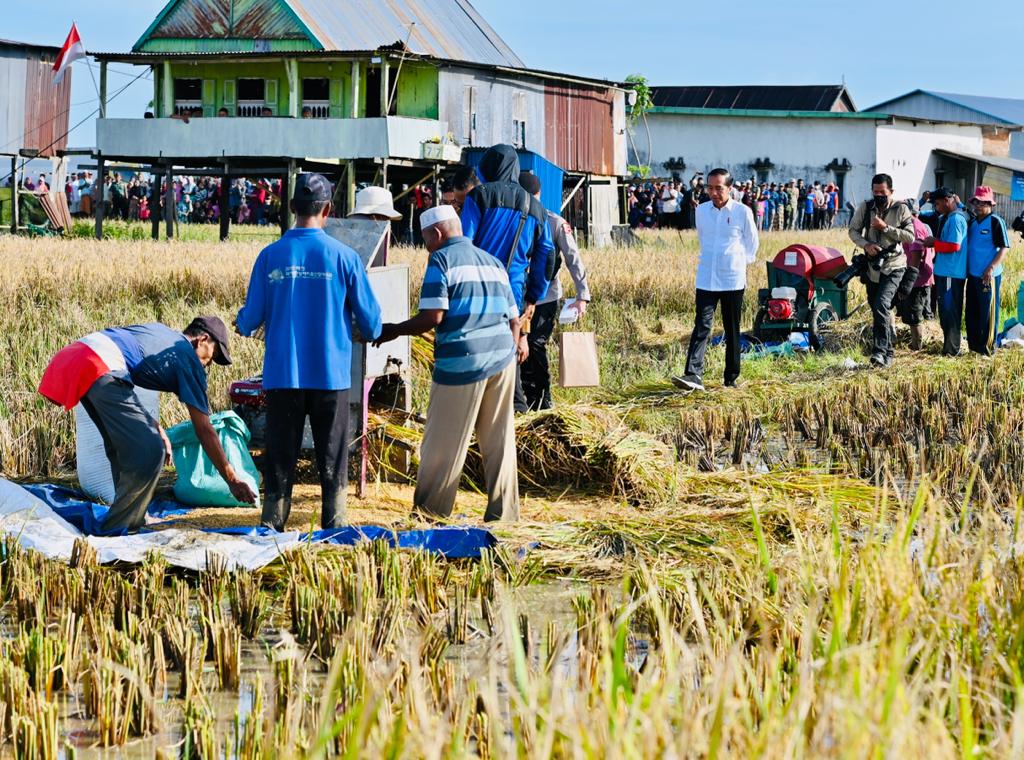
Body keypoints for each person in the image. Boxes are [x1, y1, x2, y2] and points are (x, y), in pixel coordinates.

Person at [236, 173, 382, 532]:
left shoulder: (270, 256)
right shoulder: (345, 257)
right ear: (328, 209)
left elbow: (248, 319)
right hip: (331, 376)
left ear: (291, 209)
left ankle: (271, 527)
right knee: (332, 458)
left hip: (283, 375)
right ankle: (333, 527)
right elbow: (373, 323)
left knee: (280, 458)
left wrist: (244, 320)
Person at [37, 317, 256, 533]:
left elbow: (125, 383)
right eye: (212, 356)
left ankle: (133, 515)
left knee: (121, 446)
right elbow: (204, 429)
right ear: (202, 339)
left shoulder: (163, 334)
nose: (207, 365)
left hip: (79, 355)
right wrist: (232, 479)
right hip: (101, 366)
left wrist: (154, 425)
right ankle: (120, 526)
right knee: (151, 450)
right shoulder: (188, 356)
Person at [374, 205, 522, 522]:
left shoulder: (441, 259)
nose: (426, 245)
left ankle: (430, 516)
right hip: (502, 361)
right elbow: (514, 318)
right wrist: (508, 350)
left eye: (426, 239)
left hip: (463, 364)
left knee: (442, 444)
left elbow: (433, 316)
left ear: (437, 234)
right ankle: (505, 517)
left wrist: (393, 331)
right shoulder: (492, 261)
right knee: (499, 443)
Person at [460, 145, 555, 413]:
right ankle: (514, 414)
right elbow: (546, 255)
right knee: (507, 356)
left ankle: (484, 412)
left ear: (487, 168)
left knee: (475, 355)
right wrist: (533, 295)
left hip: (478, 291)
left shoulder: (479, 196)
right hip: (513, 294)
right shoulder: (535, 207)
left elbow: (464, 244)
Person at [672, 169, 759, 392]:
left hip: (732, 277)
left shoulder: (742, 212)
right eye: (709, 188)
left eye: (719, 188)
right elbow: (703, 238)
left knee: (731, 329)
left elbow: (752, 244)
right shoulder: (701, 211)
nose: (713, 192)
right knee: (701, 325)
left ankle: (730, 378)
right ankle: (693, 374)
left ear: (730, 188)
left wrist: (737, 261)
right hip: (706, 276)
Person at [518, 172, 591, 411]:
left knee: (535, 344)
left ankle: (542, 397)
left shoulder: (555, 223)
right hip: (517, 297)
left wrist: (582, 296)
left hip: (546, 297)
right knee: (517, 347)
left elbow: (573, 259)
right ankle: (524, 398)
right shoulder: (513, 220)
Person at [848, 173, 914, 367]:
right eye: (875, 192)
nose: (878, 196)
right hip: (872, 267)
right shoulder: (866, 207)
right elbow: (853, 230)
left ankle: (880, 351)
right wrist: (866, 244)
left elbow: (910, 236)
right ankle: (887, 352)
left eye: (882, 192)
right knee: (877, 308)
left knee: (881, 304)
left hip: (894, 266)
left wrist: (885, 228)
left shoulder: (901, 209)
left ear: (891, 191)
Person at [923, 187, 969, 357]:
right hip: (946, 272)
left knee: (950, 311)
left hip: (951, 273)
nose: (936, 207)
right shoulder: (948, 218)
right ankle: (949, 347)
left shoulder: (956, 220)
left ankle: (952, 350)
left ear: (948, 201)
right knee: (945, 311)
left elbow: (954, 246)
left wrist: (934, 242)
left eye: (937, 203)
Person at [964, 186, 1010, 355]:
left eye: (982, 202)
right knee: (972, 311)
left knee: (988, 314)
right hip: (973, 275)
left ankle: (988, 349)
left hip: (988, 276)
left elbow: (1004, 248)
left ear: (990, 204)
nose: (978, 205)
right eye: (976, 202)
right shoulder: (972, 222)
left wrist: (991, 267)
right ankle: (974, 347)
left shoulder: (995, 221)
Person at [899, 200, 936, 351]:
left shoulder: (915, 226)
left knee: (915, 315)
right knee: (911, 313)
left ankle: (917, 346)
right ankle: (915, 343)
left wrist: (908, 280)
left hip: (917, 279)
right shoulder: (915, 225)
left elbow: (917, 254)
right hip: (916, 277)